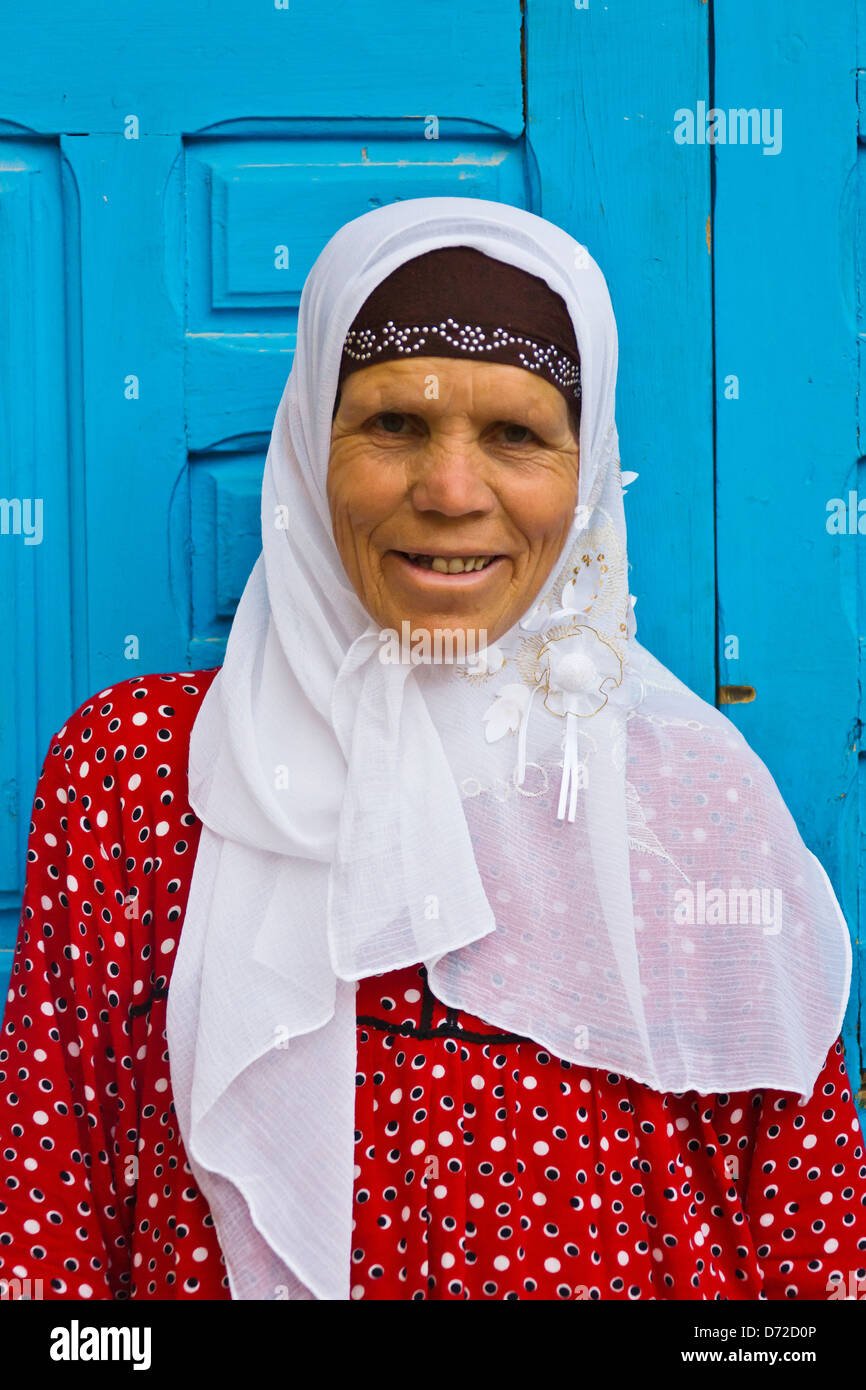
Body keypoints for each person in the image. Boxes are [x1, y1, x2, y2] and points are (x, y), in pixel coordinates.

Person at [1, 197, 863, 1302]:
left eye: (515, 435)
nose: (451, 493)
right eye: (393, 426)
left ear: (586, 467)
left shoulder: (687, 798)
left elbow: (803, 1235)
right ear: (310, 443)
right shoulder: (141, 774)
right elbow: (50, 1209)